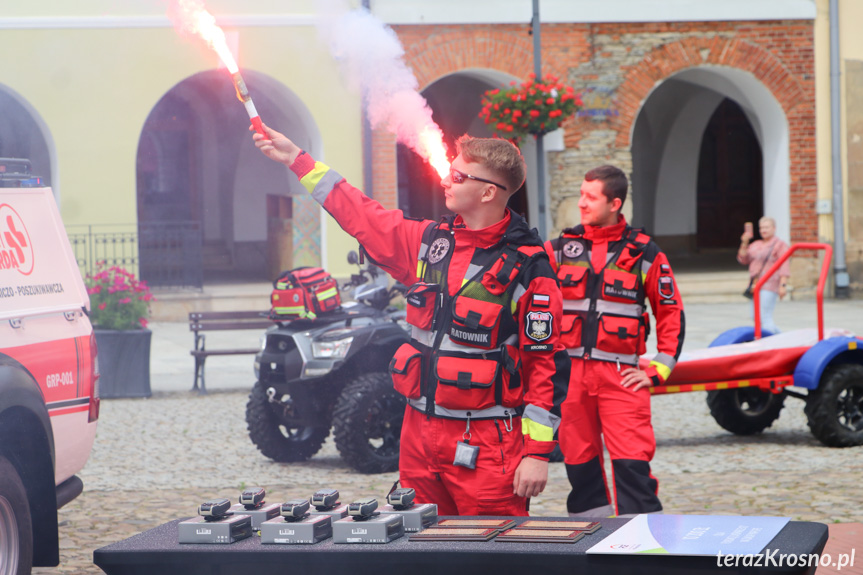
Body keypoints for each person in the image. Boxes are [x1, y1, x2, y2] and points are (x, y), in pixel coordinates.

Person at [253, 124, 570, 516]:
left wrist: (537, 454)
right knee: (418, 552)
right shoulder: (429, 244)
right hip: (418, 435)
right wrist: (297, 160)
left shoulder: (530, 269)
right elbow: (360, 213)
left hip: (488, 444)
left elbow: (546, 366)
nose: (445, 180)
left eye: (457, 176)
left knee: (491, 558)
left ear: (488, 192)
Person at [545, 165, 685, 517]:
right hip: (571, 376)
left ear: (615, 203)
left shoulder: (646, 253)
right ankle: (591, 548)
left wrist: (657, 369)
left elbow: (670, 312)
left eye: (590, 197)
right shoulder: (559, 249)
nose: (581, 203)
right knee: (579, 466)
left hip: (621, 376)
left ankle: (644, 552)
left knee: (632, 465)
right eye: (581, 194)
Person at [738, 217, 790, 335]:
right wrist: (744, 242)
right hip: (755, 284)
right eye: (761, 228)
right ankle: (781, 336)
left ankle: (771, 341)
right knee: (755, 316)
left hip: (770, 283)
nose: (763, 230)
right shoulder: (756, 244)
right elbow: (743, 259)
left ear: (774, 228)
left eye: (767, 227)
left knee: (764, 316)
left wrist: (783, 285)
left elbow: (784, 265)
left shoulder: (779, 245)